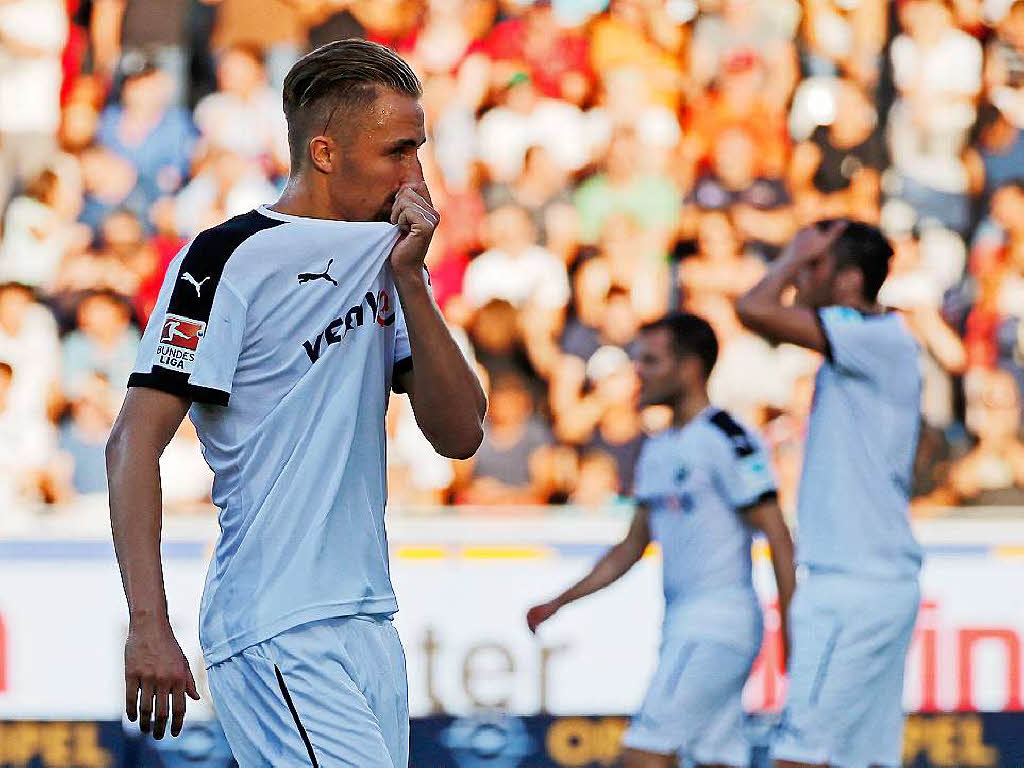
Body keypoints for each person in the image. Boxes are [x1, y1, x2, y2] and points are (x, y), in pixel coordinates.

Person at [105, 39, 487, 764]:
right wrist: (148, 622)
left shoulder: (391, 254)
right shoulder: (226, 256)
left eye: (420, 150)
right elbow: (131, 442)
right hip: (278, 619)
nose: (416, 176)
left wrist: (412, 281)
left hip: (368, 620)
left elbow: (461, 433)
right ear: (325, 152)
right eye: (397, 152)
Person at [526, 313, 796, 768]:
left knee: (644, 755)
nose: (639, 371)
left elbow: (776, 532)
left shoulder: (728, 437)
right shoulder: (658, 447)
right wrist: (560, 601)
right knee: (714, 758)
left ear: (689, 368)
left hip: (717, 624)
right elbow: (631, 547)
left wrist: (792, 625)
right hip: (684, 624)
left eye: (651, 360)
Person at [735, 221, 923, 768]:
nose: (803, 276)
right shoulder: (876, 342)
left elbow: (754, 310)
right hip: (878, 583)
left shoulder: (873, 336)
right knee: (862, 759)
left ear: (848, 281)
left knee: (799, 755)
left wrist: (791, 254)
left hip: (850, 589)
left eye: (818, 265)